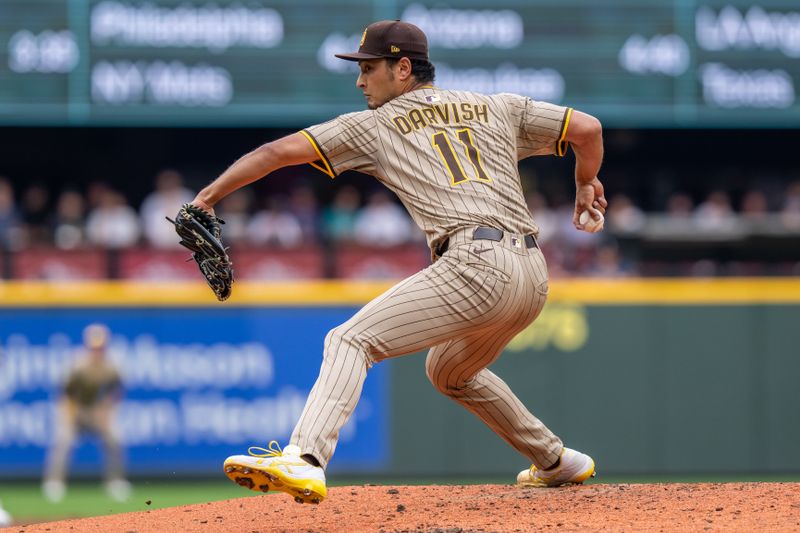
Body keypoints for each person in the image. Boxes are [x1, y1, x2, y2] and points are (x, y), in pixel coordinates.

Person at [188, 20, 607, 504]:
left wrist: (207, 197)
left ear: (402, 68)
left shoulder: (374, 124)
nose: (360, 80)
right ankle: (555, 460)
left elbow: (276, 152)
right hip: (533, 276)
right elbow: (588, 129)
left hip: (476, 263)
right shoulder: (497, 106)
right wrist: (584, 183)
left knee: (349, 339)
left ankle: (304, 458)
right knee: (449, 371)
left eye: (368, 68)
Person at [42, 323, 131, 502]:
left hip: (97, 409)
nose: (97, 351)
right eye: (94, 348)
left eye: (100, 348)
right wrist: (70, 415)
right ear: (88, 346)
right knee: (64, 440)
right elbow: (65, 393)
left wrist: (106, 411)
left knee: (115, 438)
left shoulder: (113, 365)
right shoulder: (78, 364)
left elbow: (117, 390)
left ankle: (115, 482)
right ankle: (54, 483)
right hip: (75, 407)